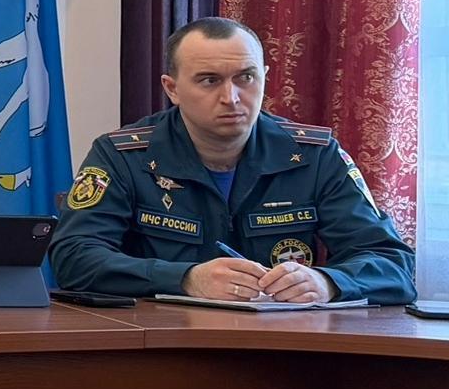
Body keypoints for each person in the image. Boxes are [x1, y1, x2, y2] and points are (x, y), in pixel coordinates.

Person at [50, 17, 414, 303]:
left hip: (285, 345)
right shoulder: (123, 156)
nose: (232, 97)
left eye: (246, 78)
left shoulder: (315, 156)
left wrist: (328, 282)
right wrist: (185, 279)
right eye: (209, 81)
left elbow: (393, 264)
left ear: (265, 78)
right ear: (172, 89)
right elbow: (73, 257)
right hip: (164, 343)